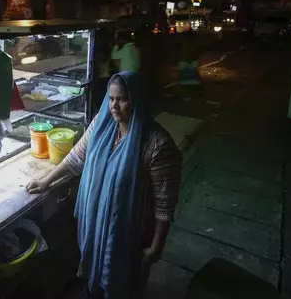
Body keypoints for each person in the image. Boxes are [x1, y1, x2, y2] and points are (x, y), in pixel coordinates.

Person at [26, 72, 181, 298]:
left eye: (122, 99)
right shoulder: (102, 124)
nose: (114, 106)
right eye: (110, 99)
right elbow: (76, 157)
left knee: (122, 281)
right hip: (96, 222)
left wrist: (155, 248)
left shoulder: (156, 145)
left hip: (129, 231)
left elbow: (164, 206)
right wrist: (45, 181)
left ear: (137, 100)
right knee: (95, 275)